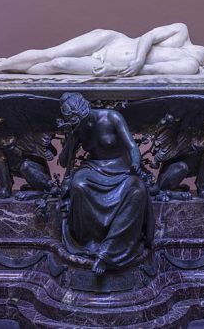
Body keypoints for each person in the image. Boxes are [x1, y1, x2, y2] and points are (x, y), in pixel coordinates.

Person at [58, 92, 154, 275]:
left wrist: (135, 164)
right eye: (79, 124)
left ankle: (110, 250)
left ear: (87, 111)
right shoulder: (78, 127)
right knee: (78, 186)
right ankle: (89, 242)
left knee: (137, 191)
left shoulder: (112, 117)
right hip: (92, 168)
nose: (86, 126)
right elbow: (64, 162)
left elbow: (132, 147)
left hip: (120, 167)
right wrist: (71, 138)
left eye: (85, 121)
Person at [0, 23, 204, 77]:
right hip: (112, 41)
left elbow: (149, 71)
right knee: (50, 52)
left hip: (110, 68)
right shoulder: (182, 31)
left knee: (56, 64)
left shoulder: (189, 66)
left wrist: (115, 70)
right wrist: (138, 57)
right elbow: (148, 36)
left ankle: (13, 69)